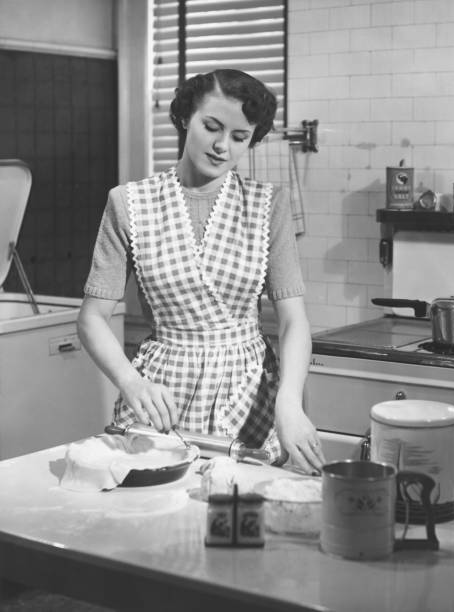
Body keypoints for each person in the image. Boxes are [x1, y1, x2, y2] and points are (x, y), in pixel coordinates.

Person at [77, 69, 324, 474]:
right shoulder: (128, 204)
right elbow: (91, 318)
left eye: (240, 137)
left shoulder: (267, 206)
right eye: (212, 127)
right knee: (158, 516)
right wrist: (130, 381)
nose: (222, 146)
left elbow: (294, 320)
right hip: (163, 395)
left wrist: (290, 402)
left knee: (239, 526)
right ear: (184, 117)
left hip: (250, 395)